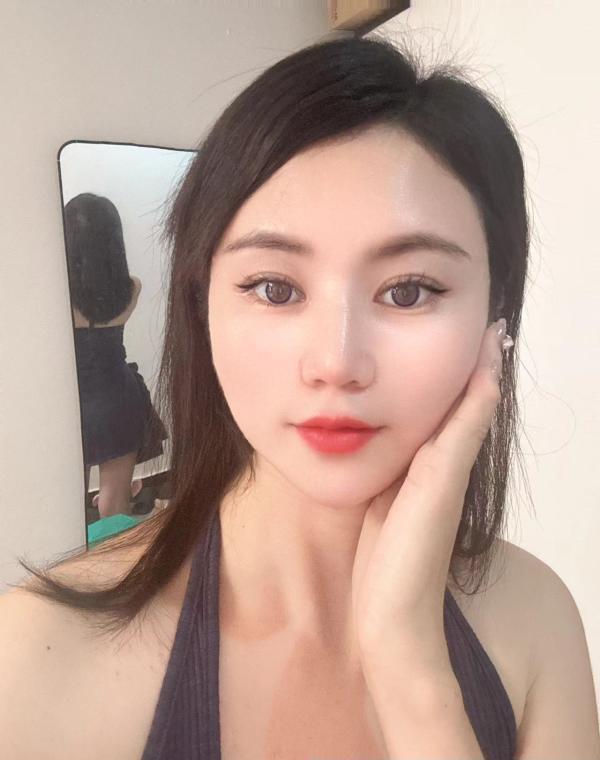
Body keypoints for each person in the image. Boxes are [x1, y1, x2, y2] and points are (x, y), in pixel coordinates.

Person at [1, 34, 599, 760]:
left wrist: (410, 667)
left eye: (409, 291)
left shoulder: (536, 620)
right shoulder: (35, 661)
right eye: (274, 288)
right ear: (202, 305)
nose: (335, 364)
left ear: (494, 316)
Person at [63, 193, 168, 520]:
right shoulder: (131, 288)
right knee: (115, 505)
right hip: (119, 398)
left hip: (72, 403)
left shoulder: (57, 295)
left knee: (67, 505)